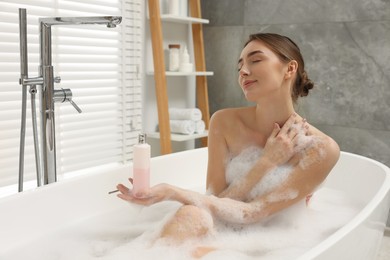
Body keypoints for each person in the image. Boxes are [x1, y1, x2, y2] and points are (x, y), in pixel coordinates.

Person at [116, 33, 340, 257]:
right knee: (192, 215)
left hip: (272, 238)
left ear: (289, 69)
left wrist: (172, 192)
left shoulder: (320, 149)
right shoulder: (224, 122)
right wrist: (266, 162)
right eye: (240, 65)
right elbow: (217, 202)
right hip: (226, 227)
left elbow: (255, 212)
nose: (243, 71)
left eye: (255, 60)